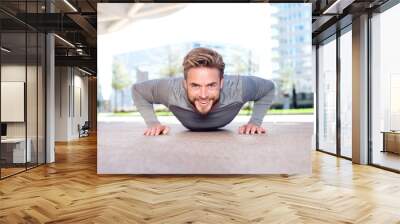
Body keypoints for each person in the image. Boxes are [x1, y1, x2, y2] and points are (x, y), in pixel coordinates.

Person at [132, 47, 276, 136]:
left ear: (221, 83)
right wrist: (153, 123)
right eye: (195, 85)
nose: (203, 95)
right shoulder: (170, 89)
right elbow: (138, 90)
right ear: (185, 84)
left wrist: (255, 122)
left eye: (211, 85)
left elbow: (268, 87)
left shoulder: (238, 87)